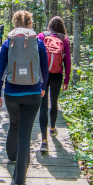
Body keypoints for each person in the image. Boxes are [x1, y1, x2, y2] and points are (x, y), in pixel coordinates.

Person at [0, 10, 49, 185]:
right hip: (33, 94)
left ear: (14, 23)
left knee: (14, 124)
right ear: (30, 24)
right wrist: (42, 88)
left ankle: (11, 157)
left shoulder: (7, 43)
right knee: (26, 133)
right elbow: (45, 70)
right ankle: (20, 178)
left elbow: (1, 71)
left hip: (11, 94)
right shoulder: (38, 43)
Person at [37, 16, 71, 152]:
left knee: (43, 105)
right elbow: (67, 61)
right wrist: (67, 80)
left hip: (42, 75)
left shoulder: (41, 36)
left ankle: (44, 142)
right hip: (57, 75)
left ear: (49, 25)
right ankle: (52, 129)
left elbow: (35, 55)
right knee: (54, 101)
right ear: (62, 27)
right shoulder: (64, 39)